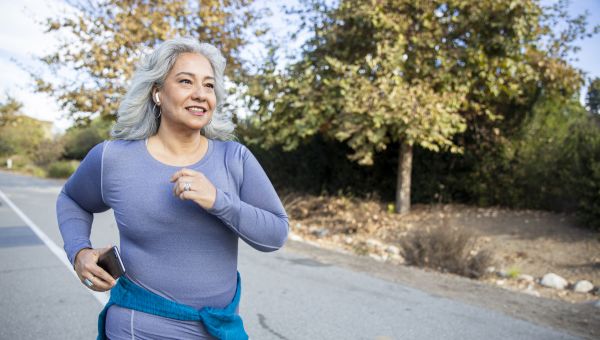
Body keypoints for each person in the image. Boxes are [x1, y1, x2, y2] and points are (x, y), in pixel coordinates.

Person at [56, 37, 289, 339]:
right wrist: (79, 251)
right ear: (157, 93)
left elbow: (275, 235)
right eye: (185, 81)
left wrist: (220, 201)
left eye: (208, 85)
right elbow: (72, 199)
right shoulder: (113, 158)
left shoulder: (235, 157)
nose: (200, 95)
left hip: (219, 328)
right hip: (138, 327)